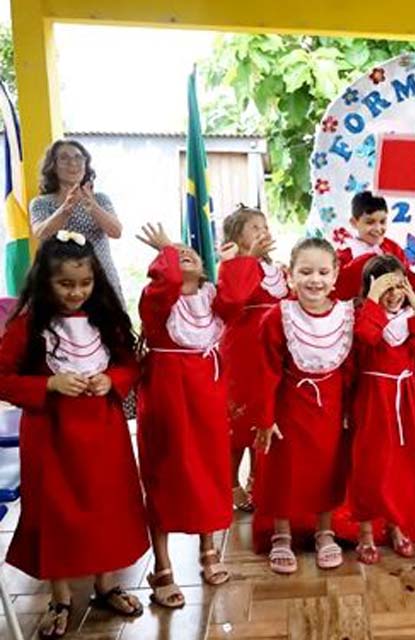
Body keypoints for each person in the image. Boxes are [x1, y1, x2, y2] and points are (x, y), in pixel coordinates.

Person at [0, 232, 147, 638]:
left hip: (104, 434)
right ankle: (60, 595)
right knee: (55, 514)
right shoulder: (28, 325)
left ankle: (106, 584)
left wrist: (110, 379)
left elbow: (130, 365)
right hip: (51, 438)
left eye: (85, 283)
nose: (76, 292)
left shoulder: (106, 320)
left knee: (108, 508)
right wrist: (48, 385)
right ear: (44, 281)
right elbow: (3, 378)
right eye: (65, 284)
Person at [136, 223, 252, 606]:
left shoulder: (212, 300)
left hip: (207, 399)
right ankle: (163, 564)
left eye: (192, 251)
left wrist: (239, 258)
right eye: (175, 251)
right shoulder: (158, 300)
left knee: (209, 471)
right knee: (165, 473)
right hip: (168, 400)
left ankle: (208, 550)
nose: (183, 252)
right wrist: (168, 249)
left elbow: (237, 296)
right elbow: (166, 282)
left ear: (205, 269)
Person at [253, 238, 354, 574]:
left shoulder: (346, 316)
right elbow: (264, 371)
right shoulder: (277, 317)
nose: (315, 280)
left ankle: (324, 529)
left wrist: (352, 411)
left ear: (336, 274)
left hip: (330, 407)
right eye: (306, 271)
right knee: (285, 468)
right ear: (290, 274)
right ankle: (281, 534)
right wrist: (266, 417)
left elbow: (351, 369)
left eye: (323, 272)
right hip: (289, 407)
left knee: (327, 467)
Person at [350, 255, 415, 564]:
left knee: (402, 463)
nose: (394, 294)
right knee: (370, 463)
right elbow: (367, 336)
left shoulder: (407, 319)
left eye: (398, 286)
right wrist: (373, 298)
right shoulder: (363, 315)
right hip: (374, 400)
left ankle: (396, 523)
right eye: (386, 287)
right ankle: (365, 532)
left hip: (405, 400)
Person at [217, 205, 287, 513]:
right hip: (243, 350)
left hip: (272, 351)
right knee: (240, 418)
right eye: (253, 228)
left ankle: (259, 479)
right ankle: (231, 482)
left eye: (264, 225)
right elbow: (231, 302)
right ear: (236, 236)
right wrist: (250, 260)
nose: (262, 231)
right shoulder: (232, 265)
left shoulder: (278, 269)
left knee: (267, 414)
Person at [29, 139, 125, 299]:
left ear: (86, 164)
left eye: (79, 157)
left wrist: (93, 207)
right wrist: (66, 209)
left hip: (102, 277)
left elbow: (116, 231)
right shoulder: (41, 203)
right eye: (64, 158)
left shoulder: (100, 199)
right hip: (61, 282)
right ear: (53, 165)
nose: (73, 162)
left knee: (109, 323)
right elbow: (41, 233)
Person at [334, 191, 410, 300]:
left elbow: (408, 280)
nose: (378, 229)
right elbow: (340, 293)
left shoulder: (393, 248)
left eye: (382, 221)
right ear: (354, 222)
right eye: (370, 222)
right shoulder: (344, 257)